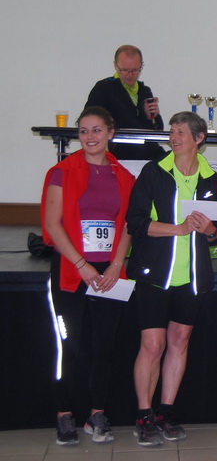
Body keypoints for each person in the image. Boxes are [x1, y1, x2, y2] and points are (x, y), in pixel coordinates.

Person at [126, 111, 217, 446]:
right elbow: (136, 223)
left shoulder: (212, 179)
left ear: (199, 139)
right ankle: (143, 414)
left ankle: (165, 411)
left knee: (179, 343)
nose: (174, 137)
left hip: (192, 278)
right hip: (155, 275)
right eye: (173, 131)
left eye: (181, 132)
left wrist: (211, 230)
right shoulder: (153, 172)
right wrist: (177, 229)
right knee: (153, 345)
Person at [41, 106, 136, 445]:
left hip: (110, 275)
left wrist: (114, 266)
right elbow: (52, 225)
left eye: (97, 130)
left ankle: (97, 414)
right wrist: (82, 266)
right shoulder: (61, 172)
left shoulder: (124, 176)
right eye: (83, 131)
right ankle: (64, 413)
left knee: (105, 346)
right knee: (72, 345)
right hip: (71, 271)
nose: (90, 137)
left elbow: (127, 225)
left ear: (110, 132)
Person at [85, 44, 166, 159]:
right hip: (119, 154)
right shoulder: (103, 88)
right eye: (124, 70)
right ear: (115, 66)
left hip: (149, 152)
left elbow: (158, 130)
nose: (130, 75)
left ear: (141, 67)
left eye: (134, 70)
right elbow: (89, 121)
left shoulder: (145, 91)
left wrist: (152, 117)